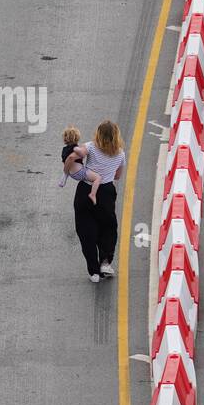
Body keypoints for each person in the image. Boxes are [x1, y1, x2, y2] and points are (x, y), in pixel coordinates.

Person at [72, 120, 125, 283]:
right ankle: (105, 263)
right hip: (107, 193)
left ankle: (93, 271)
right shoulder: (120, 154)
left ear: (98, 134)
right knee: (108, 228)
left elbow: (76, 154)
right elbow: (117, 176)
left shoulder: (91, 147)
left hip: (85, 191)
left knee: (86, 231)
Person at [58, 125, 102, 204]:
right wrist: (81, 149)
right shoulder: (75, 148)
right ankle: (93, 194)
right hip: (80, 172)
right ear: (77, 137)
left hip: (71, 173)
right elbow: (82, 155)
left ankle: (65, 176)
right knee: (98, 178)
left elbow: (65, 160)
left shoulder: (64, 150)